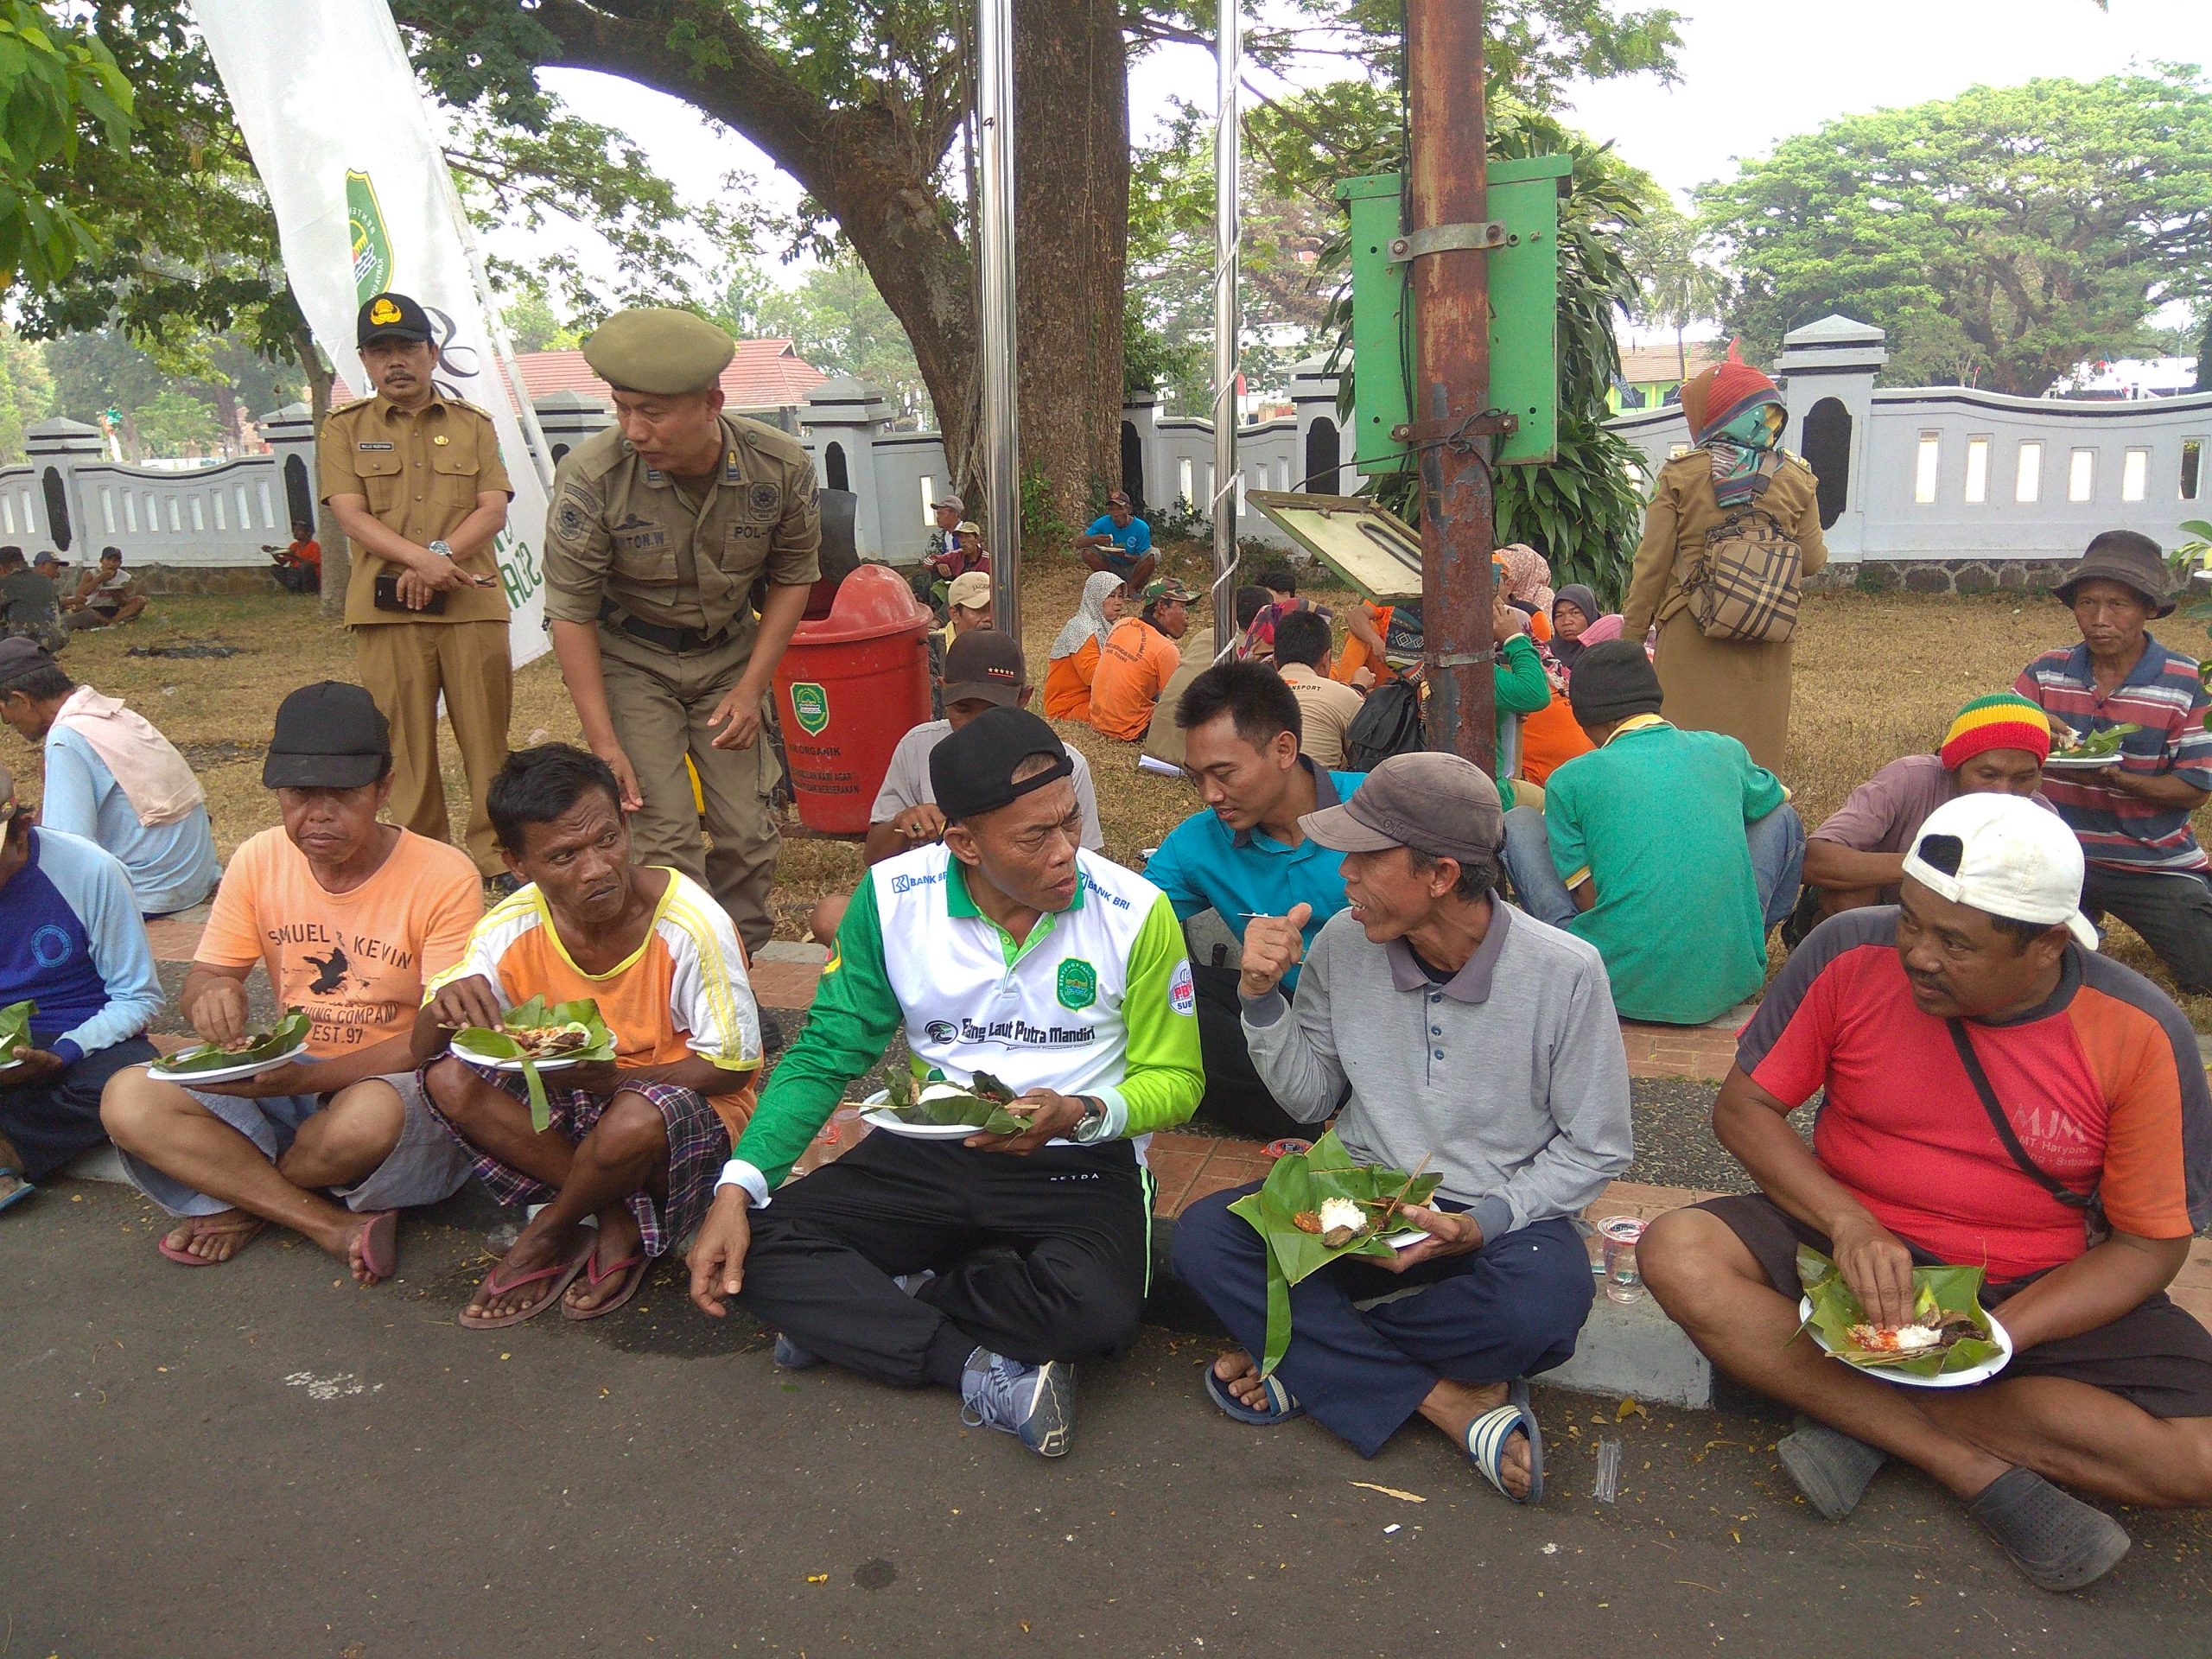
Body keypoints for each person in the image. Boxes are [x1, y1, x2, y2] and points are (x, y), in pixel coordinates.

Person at [1640, 794, 2212, 1593]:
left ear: (2047, 945)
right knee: (1678, 1251)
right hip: (1850, 1248)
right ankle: (1960, 1461)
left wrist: (1992, 1341)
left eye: (1954, 942)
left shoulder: (2138, 1029)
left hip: (2031, 1286)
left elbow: (2152, 1245)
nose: (1917, 954)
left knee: (2197, 1457)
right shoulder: (1847, 950)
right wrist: (1850, 1223)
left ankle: (1856, 1412)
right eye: (1910, 920)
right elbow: (1744, 1110)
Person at [687, 709, 1203, 1458]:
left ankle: (889, 1305)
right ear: (962, 842)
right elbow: (827, 1048)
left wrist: (1083, 1110)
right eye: (1036, 837)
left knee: (1099, 1318)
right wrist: (737, 1186)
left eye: (1071, 821)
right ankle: (973, 1367)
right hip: (929, 1147)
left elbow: (1178, 1080)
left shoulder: (1137, 912)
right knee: (751, 1244)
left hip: (1077, 1158)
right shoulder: (893, 898)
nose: (1068, 855)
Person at [1171, 753, 1632, 1501]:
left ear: (1442, 875)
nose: (1342, 875)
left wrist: (1481, 1224)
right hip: (1360, 1200)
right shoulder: (1342, 946)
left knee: (1543, 1304)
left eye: (1365, 857)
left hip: (1499, 1218)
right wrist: (1259, 1000)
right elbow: (1307, 1095)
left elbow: (1596, 1145)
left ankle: (1306, 1363)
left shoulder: (1565, 973)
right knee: (1205, 1238)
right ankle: (1452, 1403)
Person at [99, 683, 481, 1277]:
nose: (319, 814)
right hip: (288, 1076)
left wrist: (290, 1083)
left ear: (383, 788)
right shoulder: (259, 858)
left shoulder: (444, 875)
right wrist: (212, 996)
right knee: (127, 1097)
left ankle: (247, 1195)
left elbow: (428, 1043)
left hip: (391, 1080)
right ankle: (325, 1221)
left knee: (365, 1122)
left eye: (345, 795)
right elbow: (208, 974)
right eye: (300, 794)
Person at [416, 745, 763, 1328]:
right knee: (449, 1077)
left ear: (626, 825)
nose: (598, 868)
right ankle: (615, 1218)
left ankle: (548, 1231)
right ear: (518, 864)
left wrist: (618, 1080)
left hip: (679, 1120)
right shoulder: (509, 927)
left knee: (631, 1115)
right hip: (583, 1110)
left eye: (608, 840)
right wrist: (441, 1007)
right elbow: (418, 1053)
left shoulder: (689, 924)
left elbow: (734, 1068)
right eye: (565, 855)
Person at [542, 307, 821, 957]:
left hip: (728, 658)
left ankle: (738, 969)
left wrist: (753, 689)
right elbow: (572, 613)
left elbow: (793, 579)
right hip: (631, 662)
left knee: (748, 829)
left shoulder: (777, 467)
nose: (635, 430)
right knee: (663, 836)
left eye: (654, 412)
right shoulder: (591, 477)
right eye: (622, 409)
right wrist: (604, 742)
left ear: (712, 403)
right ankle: (681, 975)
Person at [1500, 639, 1803, 1026]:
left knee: (1520, 823)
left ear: (1585, 718)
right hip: (1729, 981)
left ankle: (1564, 966)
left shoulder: (1570, 780)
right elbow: (1773, 800)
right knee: (1782, 818)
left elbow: (1590, 900)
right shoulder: (1723, 751)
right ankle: (1741, 942)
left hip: (1617, 985)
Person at [318, 291, 514, 886]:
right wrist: (421, 563)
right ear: (364, 362)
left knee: (487, 741)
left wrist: (435, 558)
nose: (395, 362)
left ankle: (494, 856)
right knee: (404, 744)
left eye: (407, 347)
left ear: (432, 353)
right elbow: (351, 515)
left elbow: (493, 508)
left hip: (470, 603)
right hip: (388, 612)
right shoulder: (344, 430)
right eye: (381, 352)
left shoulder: (473, 425)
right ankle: (426, 862)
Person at [1141, 658, 1364, 1141]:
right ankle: (1294, 1109)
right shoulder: (1199, 842)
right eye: (1196, 776)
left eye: (1223, 773)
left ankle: (1308, 1108)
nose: (1210, 794)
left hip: (1380, 1024)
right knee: (1168, 986)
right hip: (1278, 1017)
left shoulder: (1373, 809)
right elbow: (1128, 927)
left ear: (1284, 748)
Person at [2013, 531, 2212, 995]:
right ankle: (2082, 924)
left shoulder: (2183, 683)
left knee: (2204, 974)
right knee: (2015, 962)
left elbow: (2196, 788)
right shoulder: (2046, 671)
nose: (2099, 619)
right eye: (2087, 603)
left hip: (2151, 863)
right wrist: (2026, 725)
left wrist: (2119, 778)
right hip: (2053, 856)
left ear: (2149, 609)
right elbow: (1988, 752)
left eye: (2118, 605)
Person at [1621, 345, 1826, 771]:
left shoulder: (1682, 475)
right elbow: (1811, 561)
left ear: (1714, 415)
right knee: (1755, 760)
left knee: (1686, 758)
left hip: (1691, 631)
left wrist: (1632, 637)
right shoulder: (1798, 478)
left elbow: (1652, 565)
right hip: (1766, 635)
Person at [0, 765, 162, 1211]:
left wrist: (66, 1051)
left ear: (21, 831)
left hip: (75, 1038)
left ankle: (10, 1149)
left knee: (132, 1083)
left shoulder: (90, 870)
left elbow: (138, 997)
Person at [1796, 693, 2053, 930]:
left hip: (1973, 937)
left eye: (2023, 777)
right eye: (1988, 775)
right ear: (1955, 766)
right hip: (1883, 920)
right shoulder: (1910, 779)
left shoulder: (2043, 819)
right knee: (1850, 896)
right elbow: (1816, 859)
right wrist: (1927, 866)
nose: (2004, 791)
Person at [0, 639, 219, 917]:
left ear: (20, 699)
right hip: (192, 879)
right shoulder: (112, 713)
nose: (6, 723)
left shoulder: (67, 737)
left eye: (2, 711)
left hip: (149, 892)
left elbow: (66, 850)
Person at [868, 629, 1102, 868]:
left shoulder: (1063, 765)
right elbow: (873, 857)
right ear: (942, 689)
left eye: (993, 710)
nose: (977, 726)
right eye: (963, 708)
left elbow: (1087, 866)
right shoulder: (916, 748)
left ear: (1024, 699)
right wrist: (906, 825)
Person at [1089, 577, 1194, 742]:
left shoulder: (1121, 624)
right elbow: (1178, 704)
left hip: (1098, 723)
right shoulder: (1165, 649)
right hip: (1132, 730)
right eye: (1182, 607)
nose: (1187, 616)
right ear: (1161, 608)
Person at [1270, 610, 1365, 771]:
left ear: (1274, 660)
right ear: (1326, 659)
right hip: (1319, 791)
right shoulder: (1345, 696)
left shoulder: (1245, 695)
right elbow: (1363, 759)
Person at [1043, 571, 1123, 722]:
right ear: (1096, 597)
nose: (1118, 602)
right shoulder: (1082, 628)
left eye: (1120, 596)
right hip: (1067, 707)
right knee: (1127, 711)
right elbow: (1094, 678)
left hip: (1093, 700)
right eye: (1111, 596)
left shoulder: (1107, 627)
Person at [929, 569, 995, 718]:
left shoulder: (1003, 647)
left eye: (993, 609)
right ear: (954, 614)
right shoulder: (932, 651)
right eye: (979, 610)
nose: (989, 618)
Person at [1239, 566, 1332, 664]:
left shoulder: (1313, 651)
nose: (1274, 615)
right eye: (1271, 609)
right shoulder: (1235, 649)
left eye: (1282, 609)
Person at [1076, 490, 1154, 591]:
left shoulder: (1141, 527)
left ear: (1129, 510)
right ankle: (1111, 584)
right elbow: (1079, 543)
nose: (1115, 514)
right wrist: (1094, 539)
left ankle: (1131, 587)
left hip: (1133, 569)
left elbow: (1141, 556)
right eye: (1112, 510)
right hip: (1111, 566)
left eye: (1120, 509)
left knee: (1153, 555)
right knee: (1087, 552)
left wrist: (1127, 556)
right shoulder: (1104, 521)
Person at [62, 547, 147, 632]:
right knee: (79, 607)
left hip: (113, 608)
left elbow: (124, 602)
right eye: (109, 559)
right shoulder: (91, 574)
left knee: (140, 600)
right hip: (92, 607)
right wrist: (98, 580)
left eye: (116, 561)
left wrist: (118, 597)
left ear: (120, 563)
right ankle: (110, 623)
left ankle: (113, 621)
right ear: (102, 561)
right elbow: (80, 594)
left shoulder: (125, 577)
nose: (112, 563)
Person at [0, 545, 67, 652]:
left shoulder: (4, 584)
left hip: (25, 643)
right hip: (57, 639)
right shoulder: (45, 580)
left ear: (1, 568)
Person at [1548, 584, 1601, 672]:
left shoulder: (1605, 652)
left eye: (1575, 613)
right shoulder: (1546, 654)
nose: (1566, 622)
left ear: (1590, 614)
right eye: (1559, 615)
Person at [264, 519, 321, 594]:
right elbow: (282, 562)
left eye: (299, 530)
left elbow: (313, 564)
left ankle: (308, 592)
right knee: (274, 568)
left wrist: (295, 556)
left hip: (308, 577)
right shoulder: (294, 545)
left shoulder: (314, 546)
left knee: (304, 567)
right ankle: (294, 590)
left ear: (308, 533)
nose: (295, 532)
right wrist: (273, 552)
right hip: (295, 574)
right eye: (294, 530)